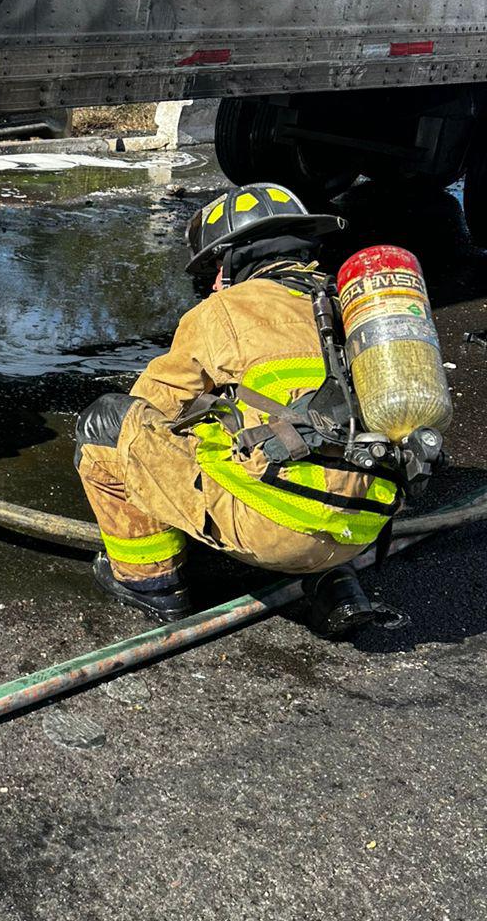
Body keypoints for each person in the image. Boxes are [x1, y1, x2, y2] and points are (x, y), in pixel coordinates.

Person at [74, 183, 400, 626]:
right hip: (364, 529)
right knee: (323, 441)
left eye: (212, 269)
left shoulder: (223, 310)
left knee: (108, 425)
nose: (210, 283)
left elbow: (151, 406)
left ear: (230, 261)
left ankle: (150, 583)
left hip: (276, 533)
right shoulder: (352, 308)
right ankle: (333, 579)